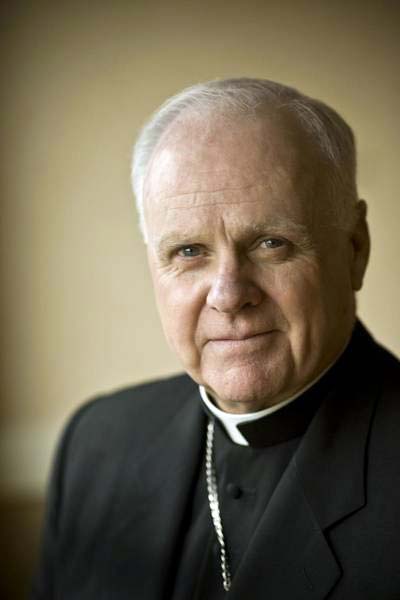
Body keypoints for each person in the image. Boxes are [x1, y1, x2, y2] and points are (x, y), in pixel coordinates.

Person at [32, 79, 400, 599]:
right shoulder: (96, 445)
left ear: (355, 248)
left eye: (271, 243)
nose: (229, 295)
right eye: (188, 252)